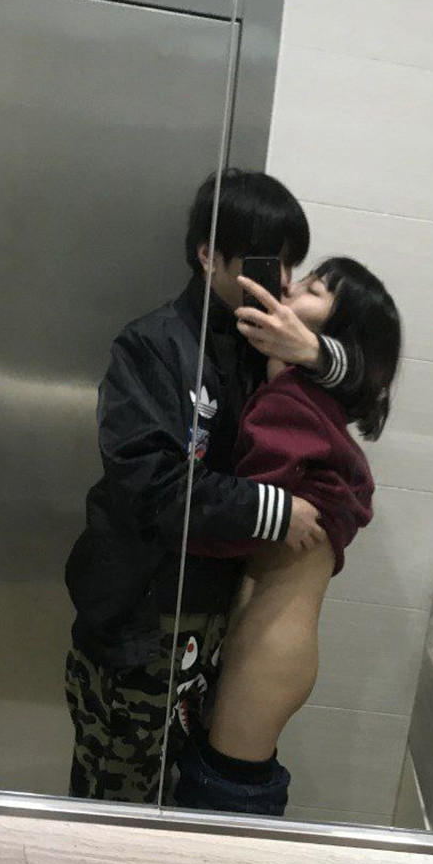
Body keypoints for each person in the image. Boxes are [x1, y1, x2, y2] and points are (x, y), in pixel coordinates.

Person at [64, 170, 353, 804]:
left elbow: (367, 385)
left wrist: (316, 355)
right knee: (115, 804)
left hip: (209, 631)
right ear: (208, 255)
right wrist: (273, 510)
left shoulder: (260, 348)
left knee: (174, 797)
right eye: (266, 261)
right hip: (138, 627)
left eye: (290, 264)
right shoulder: (151, 347)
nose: (281, 280)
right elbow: (151, 485)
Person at [176, 257, 402, 816]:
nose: (290, 285)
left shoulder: (289, 404)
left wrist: (168, 524)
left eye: (313, 288)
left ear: (332, 331)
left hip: (268, 647)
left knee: (223, 799)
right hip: (278, 640)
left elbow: (240, 522)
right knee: (232, 786)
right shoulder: (308, 401)